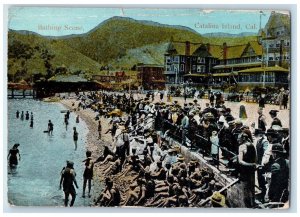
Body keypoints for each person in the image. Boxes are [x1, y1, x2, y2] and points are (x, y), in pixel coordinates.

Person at [237, 133, 257, 208]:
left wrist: (249, 164)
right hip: (251, 171)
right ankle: (253, 205)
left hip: (244, 171)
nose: (238, 139)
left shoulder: (241, 147)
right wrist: (253, 165)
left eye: (239, 138)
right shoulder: (252, 145)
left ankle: (247, 208)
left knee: (245, 190)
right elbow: (255, 158)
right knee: (251, 188)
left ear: (243, 139)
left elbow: (240, 161)